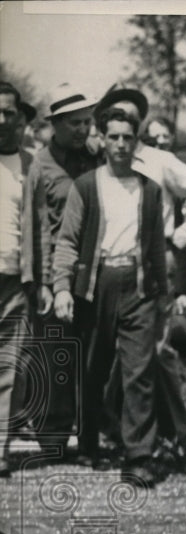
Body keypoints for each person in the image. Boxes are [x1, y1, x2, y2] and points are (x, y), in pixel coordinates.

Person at [50, 106, 168, 486]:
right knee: (93, 367)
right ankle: (88, 443)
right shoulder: (86, 185)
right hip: (95, 286)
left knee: (140, 372)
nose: (120, 144)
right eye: (113, 136)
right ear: (102, 139)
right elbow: (67, 241)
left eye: (128, 138)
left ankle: (139, 456)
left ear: (137, 142)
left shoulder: (150, 190)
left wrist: (162, 296)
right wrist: (63, 288)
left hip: (137, 286)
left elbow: (155, 249)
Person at [93, 87, 186, 452]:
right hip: (111, 263)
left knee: (159, 349)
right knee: (114, 350)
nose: (126, 123)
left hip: (155, 259)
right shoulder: (103, 159)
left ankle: (178, 432)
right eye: (117, 115)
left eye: (133, 115)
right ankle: (111, 423)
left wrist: (183, 234)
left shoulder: (159, 161)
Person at [25, 83, 102, 455]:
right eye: (75, 123)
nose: (84, 129)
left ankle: (92, 431)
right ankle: (52, 434)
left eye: (88, 122)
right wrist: (44, 283)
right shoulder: (40, 167)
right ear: (55, 124)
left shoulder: (95, 160)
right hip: (54, 272)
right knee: (54, 351)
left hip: (92, 271)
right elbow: (38, 228)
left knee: (91, 354)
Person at [0, 82, 37, 477]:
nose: (1, 120)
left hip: (14, 278)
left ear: (20, 119)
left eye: (9, 113)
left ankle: (0, 449)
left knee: (9, 365)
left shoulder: (31, 165)